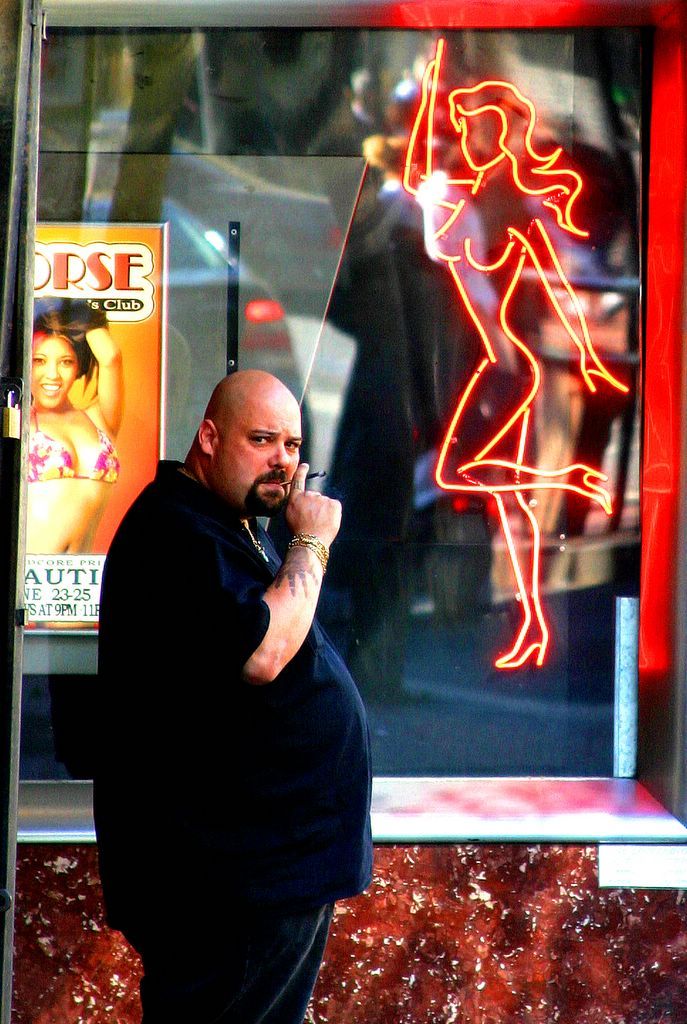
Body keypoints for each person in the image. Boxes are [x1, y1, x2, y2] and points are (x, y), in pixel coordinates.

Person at [92, 369, 373, 1024]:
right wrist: (308, 543)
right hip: (231, 888)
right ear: (210, 438)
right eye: (263, 439)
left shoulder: (223, 522)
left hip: (262, 876)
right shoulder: (176, 532)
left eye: (294, 446)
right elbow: (262, 651)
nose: (283, 460)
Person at [403, 38, 630, 670]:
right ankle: (531, 619)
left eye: (478, 125)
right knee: (504, 496)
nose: (468, 133)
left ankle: (570, 480)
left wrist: (587, 356)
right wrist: (430, 85)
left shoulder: (512, 211)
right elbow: (422, 168)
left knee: (454, 474)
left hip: (503, 367)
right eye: (466, 124)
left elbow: (556, 291)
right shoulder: (459, 194)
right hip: (485, 361)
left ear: (494, 134)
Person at [28, 297, 123, 553]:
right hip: (31, 573)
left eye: (65, 362)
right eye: (39, 361)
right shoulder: (21, 422)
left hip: (85, 579)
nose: (52, 375)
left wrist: (78, 313)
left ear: (79, 364)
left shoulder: (99, 419)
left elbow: (111, 356)